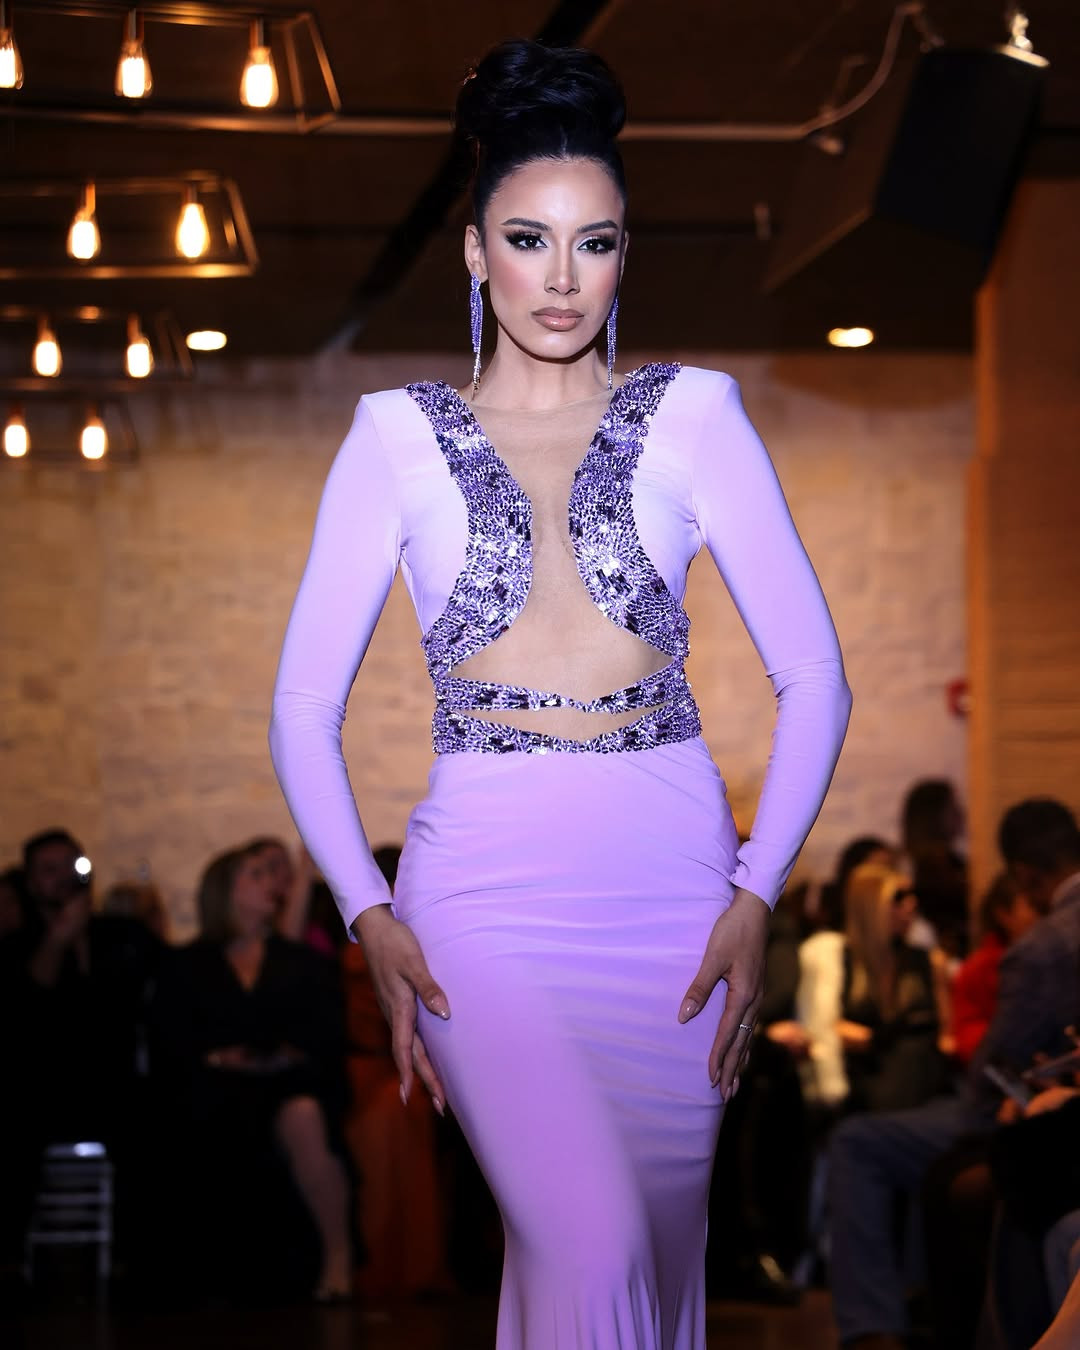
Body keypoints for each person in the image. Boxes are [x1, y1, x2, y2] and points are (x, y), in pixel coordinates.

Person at [268, 39, 851, 1349]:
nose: (563, 275)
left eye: (595, 243)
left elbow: (817, 676)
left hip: (678, 901)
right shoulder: (393, 437)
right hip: (483, 904)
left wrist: (758, 891)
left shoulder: (698, 416)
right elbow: (301, 707)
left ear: (625, 255)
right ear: (478, 252)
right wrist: (366, 912)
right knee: (592, 1246)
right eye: (530, 240)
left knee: (647, 1259)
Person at [828, 798, 1080, 1350]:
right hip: (1044, 1105)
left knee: (855, 1141)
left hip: (1031, 1117)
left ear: (1024, 876)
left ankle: (874, 1327)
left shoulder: (1044, 945)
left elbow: (994, 1065)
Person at [149, 843, 352, 1301]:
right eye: (255, 874)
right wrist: (220, 1059)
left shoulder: (298, 960)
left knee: (303, 1113)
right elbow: (171, 1040)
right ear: (226, 890)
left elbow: (324, 1034)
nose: (269, 884)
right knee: (203, 1110)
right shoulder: (188, 964)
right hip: (212, 1086)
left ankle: (337, 1258)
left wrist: (286, 1055)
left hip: (285, 1084)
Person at [949, 873, 1039, 1066]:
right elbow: (967, 1031)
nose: (1039, 914)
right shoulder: (980, 967)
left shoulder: (1050, 954)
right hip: (1002, 1067)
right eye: (1032, 905)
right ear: (1003, 914)